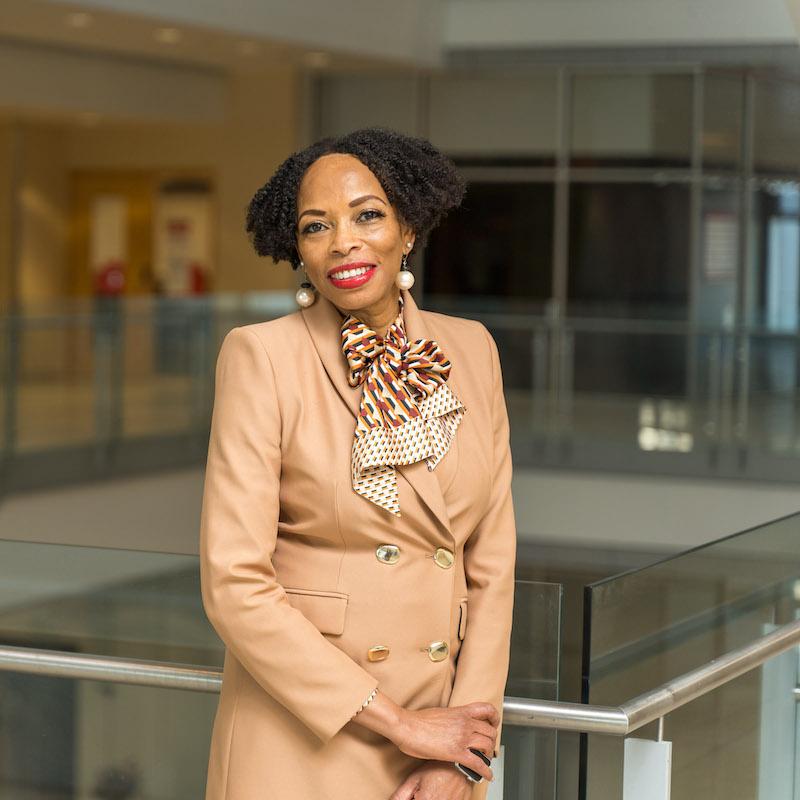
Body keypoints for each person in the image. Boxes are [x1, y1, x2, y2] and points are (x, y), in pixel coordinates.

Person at [199, 126, 517, 800]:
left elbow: (492, 564)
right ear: (298, 250)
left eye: (367, 214)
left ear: (407, 228)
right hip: (307, 737)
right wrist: (402, 726)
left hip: (441, 743)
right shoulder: (261, 357)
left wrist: (462, 754)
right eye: (317, 226)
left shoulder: (472, 349)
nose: (343, 240)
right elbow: (234, 584)